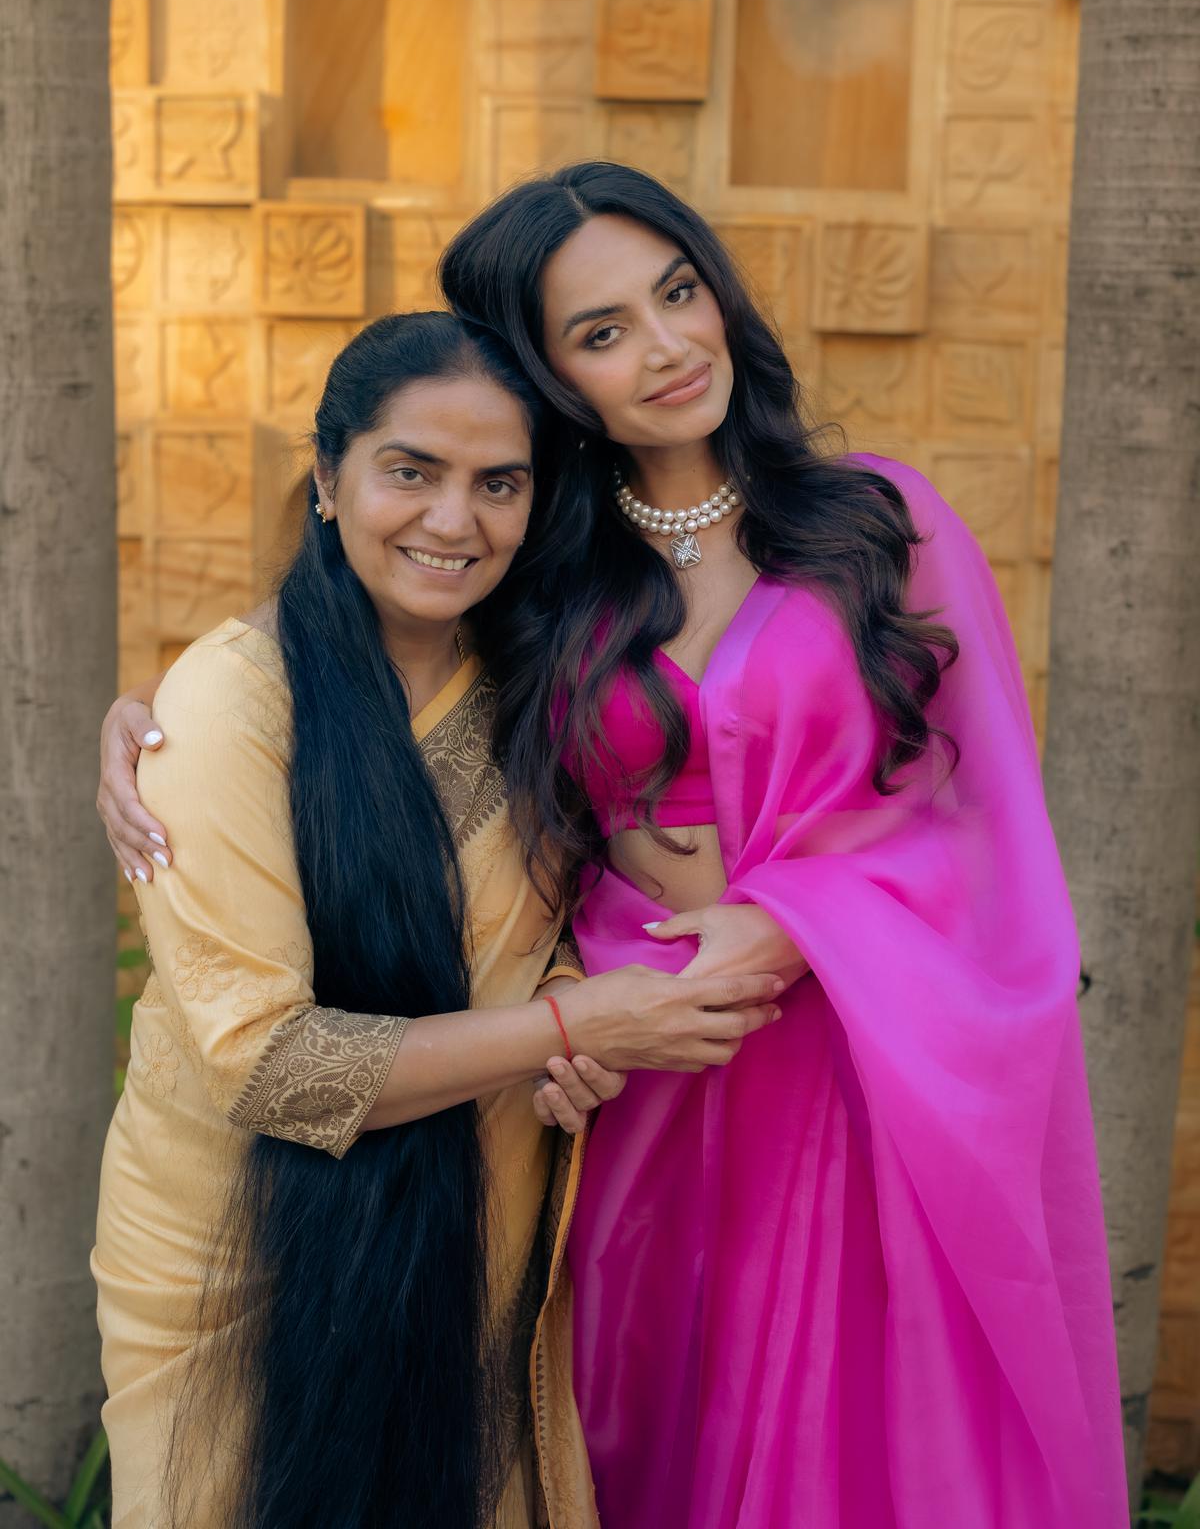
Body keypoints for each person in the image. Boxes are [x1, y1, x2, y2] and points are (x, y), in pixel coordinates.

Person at [102, 166, 1128, 1528]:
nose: (664, 347)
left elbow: (989, 824)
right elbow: (359, 659)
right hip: (619, 1091)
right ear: (552, 374)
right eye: (600, 332)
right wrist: (158, 721)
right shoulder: (545, 571)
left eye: (677, 291)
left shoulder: (878, 522)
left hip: (853, 1068)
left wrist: (794, 921)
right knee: (634, 1453)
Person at [91, 308, 783, 1529]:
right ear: (327, 478)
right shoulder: (231, 708)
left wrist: (572, 1047)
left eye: (497, 484)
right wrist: (582, 1022)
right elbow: (276, 1066)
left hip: (479, 1220)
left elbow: (560, 917)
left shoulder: (538, 677)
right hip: (238, 1248)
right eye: (410, 471)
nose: (453, 521)